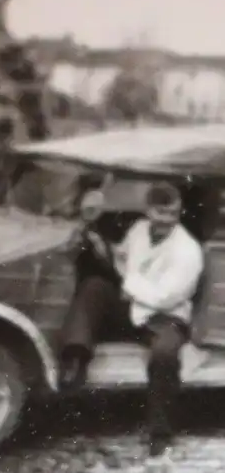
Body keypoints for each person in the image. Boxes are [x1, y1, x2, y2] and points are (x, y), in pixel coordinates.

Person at [59, 181, 204, 463]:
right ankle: (74, 358)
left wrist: (129, 286)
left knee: (164, 355)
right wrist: (106, 250)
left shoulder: (188, 250)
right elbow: (124, 258)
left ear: (179, 213)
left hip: (166, 317)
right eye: (159, 216)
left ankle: (160, 434)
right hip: (135, 307)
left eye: (171, 216)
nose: (164, 223)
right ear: (149, 211)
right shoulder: (138, 230)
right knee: (94, 287)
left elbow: (168, 296)